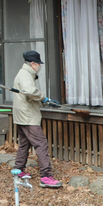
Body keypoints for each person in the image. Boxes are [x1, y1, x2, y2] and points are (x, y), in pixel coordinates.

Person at [12, 51, 63, 188]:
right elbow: (30, 91)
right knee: (41, 144)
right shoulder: (25, 75)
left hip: (22, 114)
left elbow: (29, 95)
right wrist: (44, 98)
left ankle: (18, 170)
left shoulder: (25, 74)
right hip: (28, 116)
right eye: (38, 64)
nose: (39, 66)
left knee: (24, 144)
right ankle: (46, 176)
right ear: (33, 63)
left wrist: (46, 101)